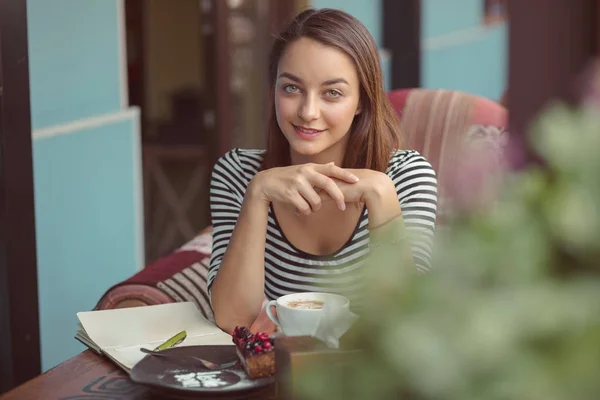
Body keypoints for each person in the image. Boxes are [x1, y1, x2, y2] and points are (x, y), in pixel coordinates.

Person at [208, 8, 438, 334]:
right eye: (291, 88)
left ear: (361, 101)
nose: (308, 111)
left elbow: (410, 321)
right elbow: (234, 320)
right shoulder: (238, 173)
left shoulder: (406, 176)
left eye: (332, 93)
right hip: (279, 375)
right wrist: (258, 195)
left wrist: (382, 196)